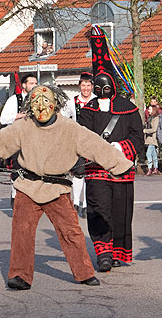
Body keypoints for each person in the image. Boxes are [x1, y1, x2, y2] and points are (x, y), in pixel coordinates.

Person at [0, 85, 134, 290]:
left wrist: (121, 165)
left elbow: (97, 146)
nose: (41, 107)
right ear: (30, 106)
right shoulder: (23, 126)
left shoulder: (70, 128)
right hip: (28, 186)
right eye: (36, 103)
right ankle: (20, 275)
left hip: (58, 188)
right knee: (22, 232)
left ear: (56, 104)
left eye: (46, 102)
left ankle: (84, 272)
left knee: (71, 232)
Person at [79, 26, 144, 272]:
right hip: (96, 170)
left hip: (122, 169)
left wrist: (121, 146)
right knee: (99, 210)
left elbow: (138, 137)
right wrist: (97, 149)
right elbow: (82, 137)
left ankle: (118, 252)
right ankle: (103, 252)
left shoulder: (128, 108)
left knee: (120, 212)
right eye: (98, 86)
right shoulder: (88, 110)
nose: (102, 91)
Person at [0, 73, 38, 207]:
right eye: (31, 83)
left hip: (35, 140)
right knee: (18, 168)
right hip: (17, 140)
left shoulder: (39, 100)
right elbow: (3, 119)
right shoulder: (14, 100)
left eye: (35, 83)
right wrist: (18, 116)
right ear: (24, 85)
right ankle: (14, 195)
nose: (34, 86)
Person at [65, 72, 97, 215]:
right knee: (78, 172)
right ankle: (76, 202)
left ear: (92, 86)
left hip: (93, 140)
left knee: (91, 172)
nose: (85, 88)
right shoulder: (72, 102)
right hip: (77, 141)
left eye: (88, 85)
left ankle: (87, 203)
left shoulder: (97, 100)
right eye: (83, 85)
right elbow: (64, 119)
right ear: (80, 86)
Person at [143, 105, 160, 176]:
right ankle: (155, 168)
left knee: (148, 154)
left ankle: (150, 168)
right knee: (153, 154)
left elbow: (154, 129)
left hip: (152, 139)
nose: (148, 110)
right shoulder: (150, 118)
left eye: (150, 109)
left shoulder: (156, 118)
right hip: (148, 139)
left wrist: (145, 131)